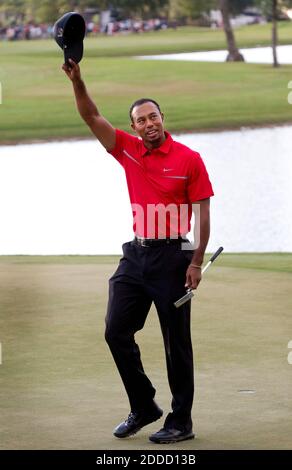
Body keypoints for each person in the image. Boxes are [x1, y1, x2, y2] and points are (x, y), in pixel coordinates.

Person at [62, 59, 214, 444]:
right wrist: (77, 80)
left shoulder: (189, 160)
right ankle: (144, 406)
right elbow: (91, 115)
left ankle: (181, 421)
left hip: (175, 258)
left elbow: (203, 214)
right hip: (136, 256)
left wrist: (196, 261)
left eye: (153, 116)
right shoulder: (126, 150)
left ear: (163, 117)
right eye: (141, 120)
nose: (149, 124)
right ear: (133, 127)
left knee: (176, 343)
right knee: (116, 331)